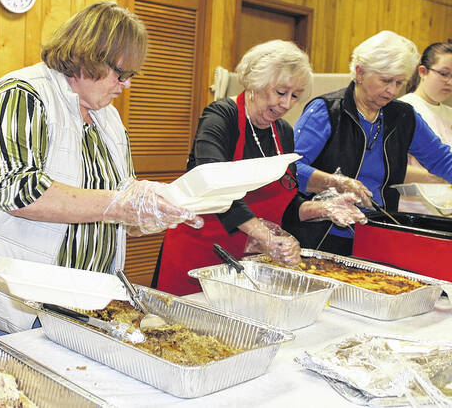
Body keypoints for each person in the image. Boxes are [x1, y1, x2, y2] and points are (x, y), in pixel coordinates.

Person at [0, 1, 203, 336]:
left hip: (88, 303)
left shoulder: (107, 116)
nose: (126, 86)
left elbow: (116, 197)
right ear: (89, 57)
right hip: (21, 305)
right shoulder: (22, 94)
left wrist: (147, 212)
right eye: (121, 73)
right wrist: (120, 204)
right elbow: (20, 193)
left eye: (131, 76)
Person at [154, 40, 365, 296]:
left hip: (247, 261)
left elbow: (285, 205)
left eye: (295, 95)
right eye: (280, 92)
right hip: (198, 255)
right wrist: (264, 236)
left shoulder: (282, 132)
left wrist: (322, 208)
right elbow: (213, 186)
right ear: (256, 82)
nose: (287, 104)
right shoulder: (222, 116)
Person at [289, 31, 452, 255]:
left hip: (377, 233)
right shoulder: (326, 110)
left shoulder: (403, 117)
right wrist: (335, 182)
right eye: (386, 81)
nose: (393, 91)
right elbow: (290, 170)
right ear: (360, 72)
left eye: (399, 83)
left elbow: (442, 159)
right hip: (322, 234)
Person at [398, 42, 452, 213]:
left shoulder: (449, 113)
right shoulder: (403, 109)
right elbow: (390, 168)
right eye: (444, 74)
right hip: (412, 210)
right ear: (423, 71)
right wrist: (440, 178)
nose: (450, 82)